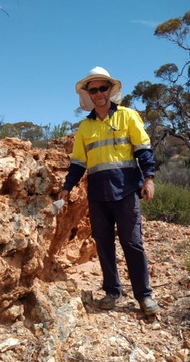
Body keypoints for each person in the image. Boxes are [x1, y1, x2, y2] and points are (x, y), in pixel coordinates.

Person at [58, 66, 160, 316]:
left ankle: (144, 296)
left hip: (125, 190)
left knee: (132, 243)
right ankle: (112, 291)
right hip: (97, 194)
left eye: (103, 87)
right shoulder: (85, 127)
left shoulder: (128, 116)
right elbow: (78, 163)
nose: (98, 93)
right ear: (88, 95)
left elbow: (143, 150)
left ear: (110, 90)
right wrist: (66, 188)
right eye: (93, 90)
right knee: (103, 245)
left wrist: (149, 179)